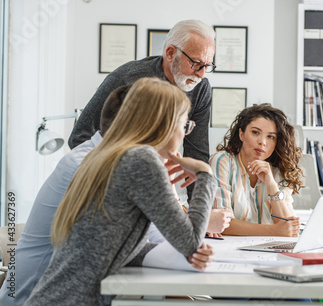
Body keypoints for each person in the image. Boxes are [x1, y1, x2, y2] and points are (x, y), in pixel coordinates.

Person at [25, 77, 217, 306]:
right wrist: (206, 174)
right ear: (164, 123)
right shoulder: (141, 159)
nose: (184, 134)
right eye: (184, 125)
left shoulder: (108, 155)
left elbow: (111, 245)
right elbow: (191, 241)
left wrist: (181, 252)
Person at [68, 19, 215, 200]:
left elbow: (197, 154)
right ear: (170, 53)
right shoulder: (127, 78)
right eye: (196, 63)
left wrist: (200, 209)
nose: (201, 73)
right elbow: (79, 138)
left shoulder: (200, 88)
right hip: (108, 184)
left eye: (207, 66)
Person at [209, 103, 304, 237]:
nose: (262, 142)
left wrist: (271, 185)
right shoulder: (222, 161)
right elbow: (221, 223)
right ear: (241, 134)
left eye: (271, 137)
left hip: (269, 250)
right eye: (255, 132)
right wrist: (274, 231)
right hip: (231, 249)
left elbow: (289, 227)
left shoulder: (279, 169)